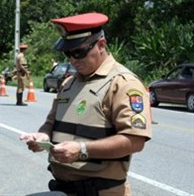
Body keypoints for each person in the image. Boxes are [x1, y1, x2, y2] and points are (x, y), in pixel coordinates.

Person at [20, 12, 152, 196]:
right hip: (63, 188)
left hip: (101, 192)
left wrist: (82, 150)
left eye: (78, 52)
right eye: (68, 53)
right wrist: (43, 136)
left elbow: (135, 141)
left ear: (101, 45)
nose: (73, 60)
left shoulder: (123, 83)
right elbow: (51, 122)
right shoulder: (69, 83)